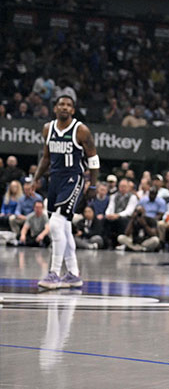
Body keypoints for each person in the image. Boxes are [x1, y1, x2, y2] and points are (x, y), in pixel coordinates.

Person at [30, 95, 98, 289]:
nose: (65, 108)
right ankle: (74, 274)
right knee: (65, 226)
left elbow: (93, 159)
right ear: (55, 108)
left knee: (56, 223)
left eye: (69, 105)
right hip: (55, 180)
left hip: (73, 178)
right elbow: (46, 157)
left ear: (73, 110)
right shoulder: (47, 129)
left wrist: (92, 185)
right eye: (61, 104)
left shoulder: (81, 130)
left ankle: (54, 272)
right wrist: (36, 179)